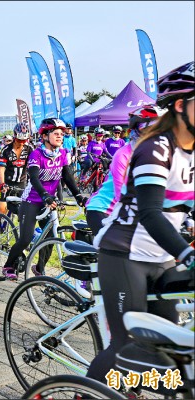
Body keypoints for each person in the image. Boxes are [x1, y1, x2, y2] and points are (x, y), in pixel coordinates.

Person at [87, 61, 195, 391]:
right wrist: (188, 254)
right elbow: (150, 213)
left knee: (170, 348)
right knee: (127, 347)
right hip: (125, 255)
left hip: (163, 258)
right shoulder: (155, 148)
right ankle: (85, 393)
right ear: (180, 105)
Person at [0, 118, 87, 280]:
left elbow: (67, 176)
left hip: (49, 201)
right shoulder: (36, 154)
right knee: (25, 239)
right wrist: (45, 195)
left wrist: (79, 196)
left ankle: (39, 268)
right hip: (32, 200)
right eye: (56, 133)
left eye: (62, 134)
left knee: (50, 239)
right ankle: (8, 265)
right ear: (45, 136)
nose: (60, 136)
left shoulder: (62, 154)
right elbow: (33, 178)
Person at [85, 105, 165, 235]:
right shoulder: (123, 155)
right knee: (116, 250)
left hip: (132, 213)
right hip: (103, 210)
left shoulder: (159, 155)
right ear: (136, 131)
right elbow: (123, 195)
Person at [0, 122, 35, 242]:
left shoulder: (30, 149)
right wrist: (2, 183)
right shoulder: (6, 150)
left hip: (21, 184)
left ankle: (24, 238)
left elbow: (33, 167)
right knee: (2, 209)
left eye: (25, 140)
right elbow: (1, 168)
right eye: (19, 140)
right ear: (14, 136)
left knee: (25, 213)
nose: (22, 143)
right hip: (6, 184)